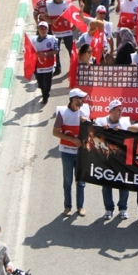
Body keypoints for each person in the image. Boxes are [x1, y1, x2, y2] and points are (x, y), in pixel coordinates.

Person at [52, 88, 91, 216]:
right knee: (67, 181)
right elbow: (55, 132)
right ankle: (67, 207)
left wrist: (87, 123)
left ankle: (81, 206)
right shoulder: (62, 112)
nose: (83, 100)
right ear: (74, 99)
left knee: (81, 180)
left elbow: (91, 128)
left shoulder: (85, 110)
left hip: (81, 153)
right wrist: (71, 139)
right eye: (81, 98)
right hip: (67, 152)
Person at [96, 100, 132, 220]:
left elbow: (132, 138)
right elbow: (93, 135)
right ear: (110, 111)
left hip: (121, 160)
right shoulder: (100, 121)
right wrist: (100, 130)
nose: (120, 113)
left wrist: (122, 131)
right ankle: (109, 209)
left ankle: (123, 208)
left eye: (121, 110)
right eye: (118, 110)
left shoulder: (125, 122)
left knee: (124, 185)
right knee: (106, 185)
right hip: (106, 160)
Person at [32, 22, 59, 105]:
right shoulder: (33, 40)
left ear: (47, 30)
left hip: (48, 65)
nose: (43, 30)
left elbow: (56, 50)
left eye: (45, 29)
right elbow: (29, 50)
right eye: (41, 28)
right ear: (38, 29)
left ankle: (45, 96)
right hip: (37, 65)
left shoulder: (52, 39)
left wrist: (46, 54)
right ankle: (43, 91)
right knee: (40, 82)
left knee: (47, 82)